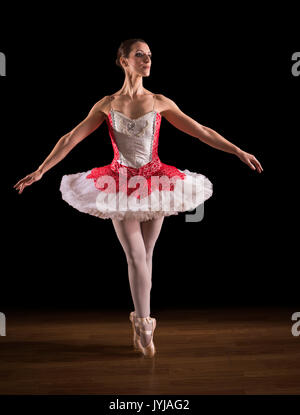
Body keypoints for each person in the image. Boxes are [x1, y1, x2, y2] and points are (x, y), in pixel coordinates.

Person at [14, 38, 263, 358]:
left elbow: (201, 130)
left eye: (150, 56)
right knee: (135, 256)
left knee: (146, 255)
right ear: (123, 61)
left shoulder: (159, 101)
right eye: (139, 55)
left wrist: (238, 151)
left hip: (156, 182)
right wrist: (41, 170)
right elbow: (70, 137)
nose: (147, 60)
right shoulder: (106, 103)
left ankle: (138, 322)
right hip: (117, 183)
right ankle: (145, 326)